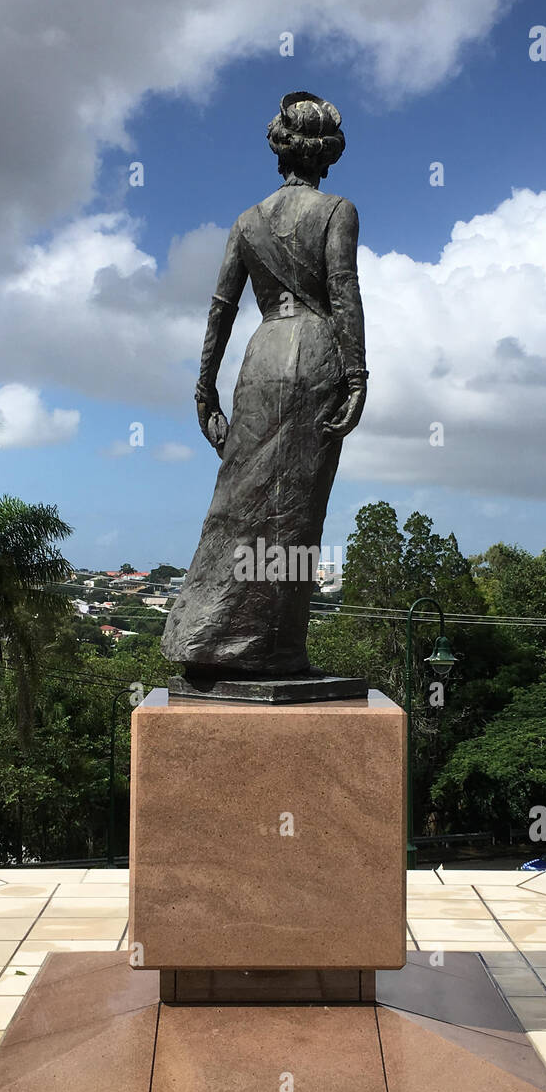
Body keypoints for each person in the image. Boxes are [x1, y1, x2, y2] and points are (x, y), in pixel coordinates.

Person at [161, 92, 367, 680]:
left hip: (260, 356)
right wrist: (357, 375)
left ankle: (209, 636)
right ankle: (271, 648)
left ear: (280, 149)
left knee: (239, 501)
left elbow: (222, 309)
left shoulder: (247, 221)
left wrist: (204, 390)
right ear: (326, 156)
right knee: (295, 510)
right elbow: (344, 293)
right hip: (315, 356)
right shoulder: (337, 211)